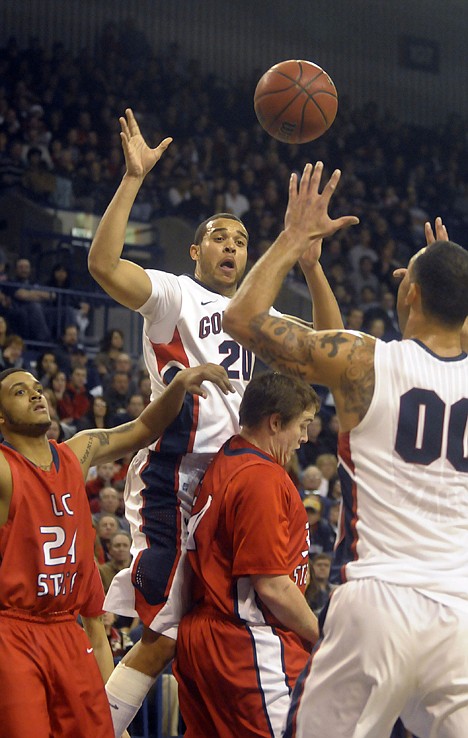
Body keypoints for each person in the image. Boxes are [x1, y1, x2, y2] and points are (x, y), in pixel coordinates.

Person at [87, 108, 345, 735]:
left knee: (216, 628)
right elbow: (103, 266)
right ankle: (94, 726)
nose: (232, 246)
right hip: (177, 478)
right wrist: (132, 180)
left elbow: (333, 348)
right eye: (220, 238)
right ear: (197, 251)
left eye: (242, 241)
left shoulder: (258, 315)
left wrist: (310, 264)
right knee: (166, 632)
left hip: (233, 482)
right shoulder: (175, 294)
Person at [223, 163, 468, 738]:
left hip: (377, 606)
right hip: (461, 615)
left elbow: (242, 318)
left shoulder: (366, 361)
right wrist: (448, 281)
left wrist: (295, 238)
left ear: (408, 291)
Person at [0, 361, 232, 737]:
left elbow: (142, 429)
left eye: (37, 387)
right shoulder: (5, 468)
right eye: (19, 392)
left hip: (67, 628)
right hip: (15, 631)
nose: (35, 394)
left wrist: (179, 385)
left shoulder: (76, 453)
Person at [173, 372, 320, 738]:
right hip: (247, 639)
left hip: (207, 636)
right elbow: (271, 585)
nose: (304, 438)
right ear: (274, 422)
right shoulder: (261, 477)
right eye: (302, 425)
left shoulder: (230, 457)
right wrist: (324, 636)